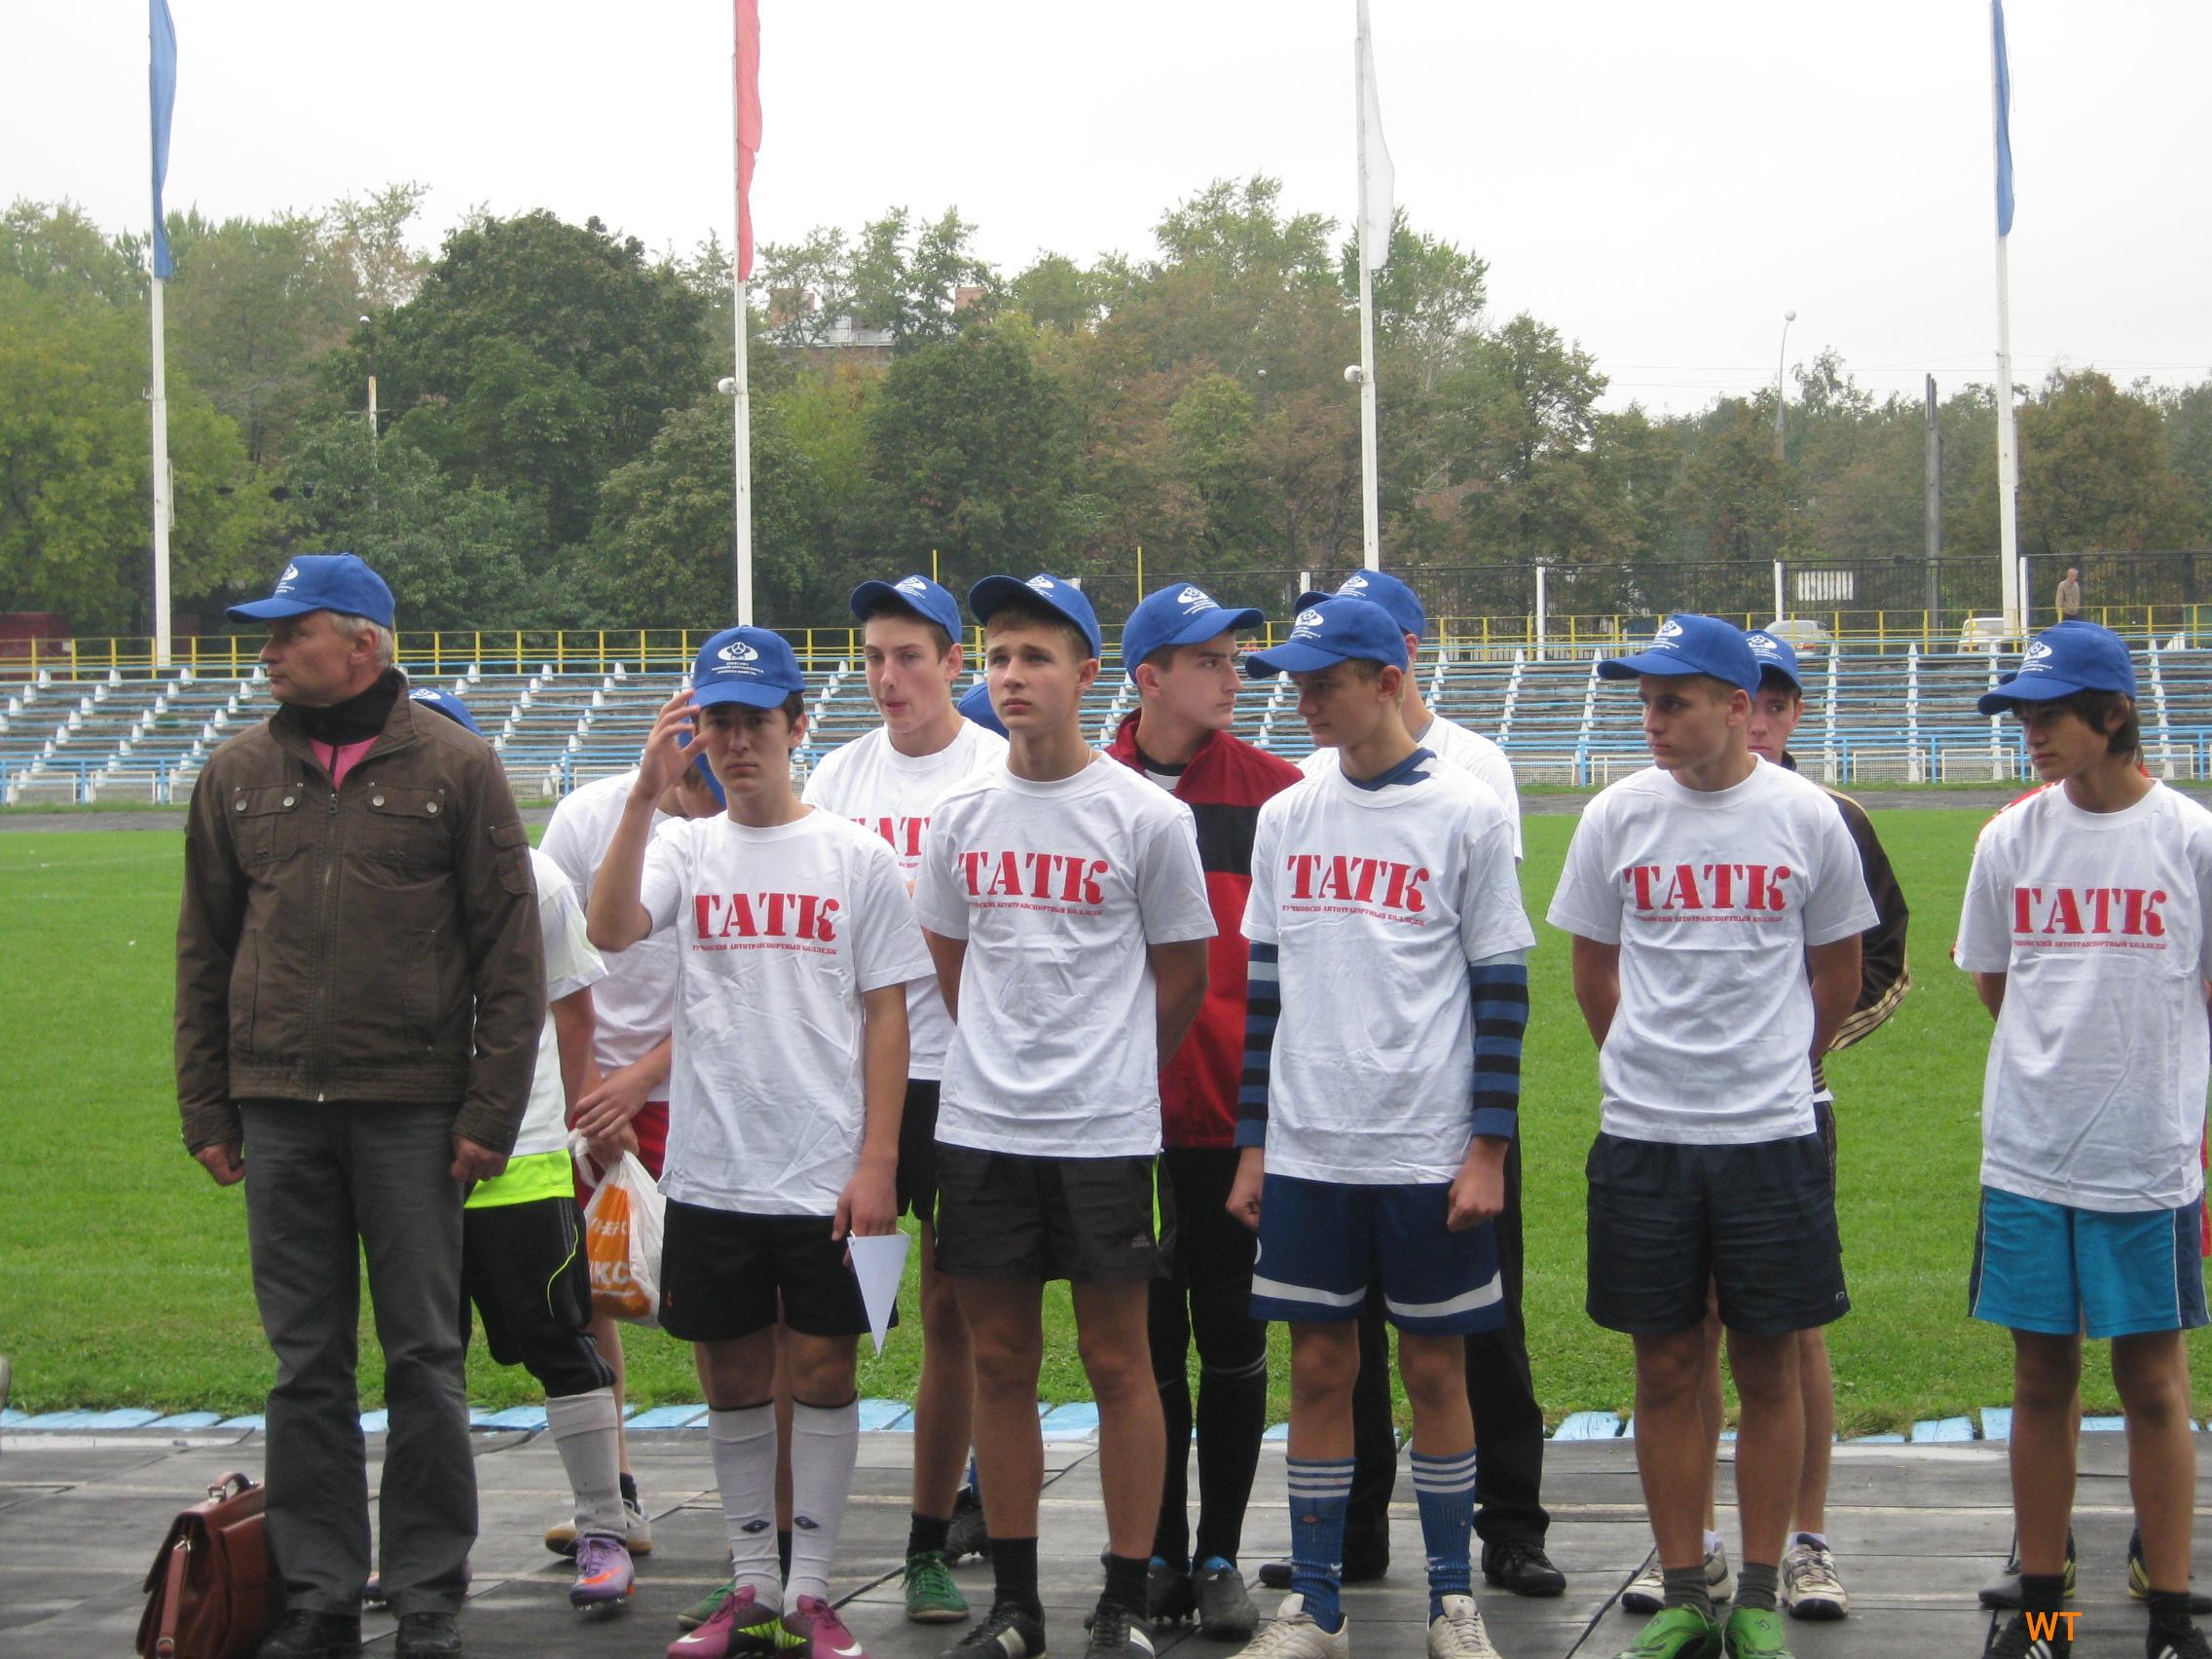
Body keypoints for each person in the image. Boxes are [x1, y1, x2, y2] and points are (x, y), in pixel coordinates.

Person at [174, 554, 544, 1659]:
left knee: (424, 1357)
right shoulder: (236, 772)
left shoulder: (458, 767)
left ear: (363, 644)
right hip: (278, 1108)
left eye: (291, 632)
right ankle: (320, 1595)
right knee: (305, 1367)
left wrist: (488, 1110)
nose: (269, 651)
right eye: (269, 633)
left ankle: (427, 1593)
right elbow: (203, 949)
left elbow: (510, 955)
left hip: (413, 1112)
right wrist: (207, 1105)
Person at [586, 625, 930, 1659]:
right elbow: (608, 930)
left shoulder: (855, 855)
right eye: (718, 723)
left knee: (823, 1371)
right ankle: (750, 1586)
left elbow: (888, 1014)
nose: (737, 743)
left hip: (825, 1167)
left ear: (796, 726)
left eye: (755, 722)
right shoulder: (686, 848)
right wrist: (644, 796)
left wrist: (878, 1161)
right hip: (712, 1167)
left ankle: (812, 1592)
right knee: (731, 1378)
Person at [1546, 614, 1874, 1659]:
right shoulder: (1614, 815)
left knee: (1769, 1368)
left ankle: (1762, 1592)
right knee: (1665, 1367)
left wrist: (1778, 1063)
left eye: (1674, 701)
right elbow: (1592, 966)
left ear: (1738, 707)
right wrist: (1643, 1062)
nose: (1652, 719)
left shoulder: (1806, 818)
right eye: (1645, 701)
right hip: (1645, 1134)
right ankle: (1687, 1586)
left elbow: (1839, 970)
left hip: (1768, 1133)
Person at [1224, 595, 1533, 1659]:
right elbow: (1265, 993)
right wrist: (1255, 1144)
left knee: (1436, 1372)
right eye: (1295, 684)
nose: (1303, 702)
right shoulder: (1287, 815)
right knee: (1319, 1370)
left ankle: (1451, 1600)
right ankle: (1317, 1604)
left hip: (1424, 1147)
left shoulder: (1466, 812)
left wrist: (1487, 1147)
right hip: (1312, 1147)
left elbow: (1502, 991)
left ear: (1388, 682)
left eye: (1325, 683)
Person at [912, 572, 1215, 1659]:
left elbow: (1183, 974)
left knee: (1117, 1362)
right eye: (997, 656)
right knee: (999, 1361)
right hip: (982, 1130)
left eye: (1035, 657)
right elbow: (952, 963)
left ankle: (1123, 1600)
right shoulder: (960, 816)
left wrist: (1111, 1071)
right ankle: (1018, 1605)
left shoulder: (1147, 818)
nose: (1012, 676)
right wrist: (1008, 1060)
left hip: (1102, 1133)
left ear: (1086, 675)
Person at [1616, 632, 1911, 1626]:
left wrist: (1796, 1052)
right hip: (1665, 1118)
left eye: (1783, 702)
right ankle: (1692, 1549)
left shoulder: (1828, 817)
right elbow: (1599, 964)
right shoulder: (1637, 811)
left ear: (1776, 711)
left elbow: (1877, 963)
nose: (1770, 718)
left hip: (1787, 1112)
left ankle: (1802, 1544)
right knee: (1680, 1336)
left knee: (1784, 1340)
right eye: (1762, 698)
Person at [1956, 621, 2212, 1659]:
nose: (2032, 732)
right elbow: (1995, 983)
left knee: (2152, 1385)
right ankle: (2044, 1608)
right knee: (2040, 1381)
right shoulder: (2010, 837)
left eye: (2051, 714)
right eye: (2022, 715)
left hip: (2146, 1156)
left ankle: (2170, 1611)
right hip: (2029, 1152)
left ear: (2115, 716)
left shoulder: (2190, 839)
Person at [802, 573, 1009, 1625]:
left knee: (948, 1313)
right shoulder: (837, 775)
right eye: (874, 658)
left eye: (909, 657)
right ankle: (793, 1560)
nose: (888, 678)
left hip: (966, 1080)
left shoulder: (994, 772)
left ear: (952, 663)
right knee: (828, 1322)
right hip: (858, 1086)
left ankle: (931, 1540)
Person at [406, 687, 634, 1615]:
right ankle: (427, 1554)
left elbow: (575, 1011)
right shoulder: (380, 874)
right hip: (405, 1158)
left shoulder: (531, 878)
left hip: (521, 1154)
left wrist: (576, 1126)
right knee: (424, 1357)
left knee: (558, 1340)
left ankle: (604, 1526)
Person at [1106, 582, 1298, 1640]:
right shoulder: (1088, 790)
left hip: (1232, 1118)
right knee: (1139, 1348)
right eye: (1210, 660)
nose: (1234, 677)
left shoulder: (1277, 794)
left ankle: (1217, 1552)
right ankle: (1154, 1554)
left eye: (1235, 658)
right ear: (1150, 676)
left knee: (1229, 1337)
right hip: (1113, 1120)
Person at [538, 729, 726, 1569]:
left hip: (690, 1081)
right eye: (700, 788)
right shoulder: (588, 817)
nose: (709, 807)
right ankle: (613, 1494)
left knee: (716, 1300)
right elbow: (552, 960)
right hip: (585, 1080)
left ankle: (758, 1513)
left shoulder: (738, 829)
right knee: (584, 1289)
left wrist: (642, 1080)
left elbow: (732, 986)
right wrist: (588, 1094)